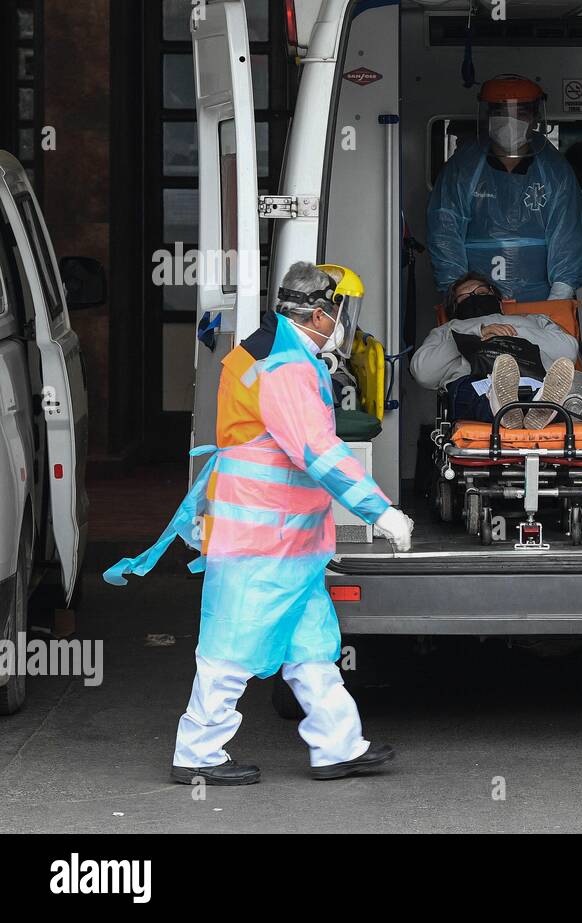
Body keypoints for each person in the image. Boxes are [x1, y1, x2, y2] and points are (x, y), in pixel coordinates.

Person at [104, 262, 415, 785]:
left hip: (283, 538)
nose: (342, 321)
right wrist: (379, 510)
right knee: (232, 647)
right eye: (339, 311)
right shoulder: (286, 366)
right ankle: (199, 751)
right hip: (265, 537)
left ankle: (338, 745)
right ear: (319, 313)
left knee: (312, 647)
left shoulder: (267, 349)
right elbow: (317, 451)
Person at [426, 74, 582, 303]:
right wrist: (461, 295)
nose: (509, 120)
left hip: (543, 299)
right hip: (476, 302)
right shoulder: (464, 167)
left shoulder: (554, 169)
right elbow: (444, 230)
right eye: (500, 112)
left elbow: (570, 234)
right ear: (488, 116)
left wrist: (559, 296)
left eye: (520, 113)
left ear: (535, 117)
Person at [410, 272, 579, 430]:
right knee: (476, 393)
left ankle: (534, 407)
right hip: (477, 384)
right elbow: (424, 373)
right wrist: (476, 332)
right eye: (464, 297)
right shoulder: (448, 330)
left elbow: (568, 351)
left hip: (534, 379)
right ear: (454, 308)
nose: (474, 298)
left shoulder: (533, 320)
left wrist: (513, 330)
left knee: (545, 390)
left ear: (497, 299)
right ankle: (508, 408)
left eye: (481, 292)